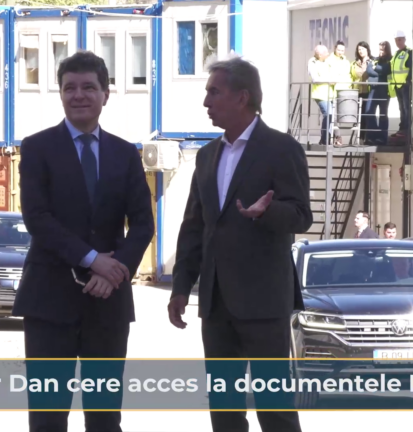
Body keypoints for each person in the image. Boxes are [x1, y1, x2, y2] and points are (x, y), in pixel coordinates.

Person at [13, 50, 154, 432]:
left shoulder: (125, 154)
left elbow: (143, 224)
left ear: (105, 94)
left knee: (105, 418)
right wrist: (93, 260)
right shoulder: (37, 148)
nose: (78, 95)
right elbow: (37, 218)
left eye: (88, 87)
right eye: (69, 87)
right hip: (49, 301)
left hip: (108, 304)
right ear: (60, 94)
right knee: (47, 418)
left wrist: (114, 270)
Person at [168, 57, 311, 432]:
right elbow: (194, 227)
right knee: (224, 410)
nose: (206, 102)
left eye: (214, 92)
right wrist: (181, 286)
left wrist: (267, 212)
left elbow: (302, 216)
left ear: (242, 97)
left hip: (264, 303)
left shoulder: (281, 148)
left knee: (275, 410)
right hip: (216, 305)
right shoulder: (206, 156)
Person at [308, 45, 340, 146]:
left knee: (331, 116)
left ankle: (326, 139)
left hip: (330, 94)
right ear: (320, 55)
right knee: (328, 114)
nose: (328, 54)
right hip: (320, 94)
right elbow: (315, 79)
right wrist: (329, 80)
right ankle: (325, 139)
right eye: (325, 52)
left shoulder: (327, 62)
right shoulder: (312, 62)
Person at [364, 41, 392, 145]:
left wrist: (376, 69)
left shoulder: (390, 59)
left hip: (384, 90)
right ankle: (373, 136)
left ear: (387, 50)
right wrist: (378, 71)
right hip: (373, 89)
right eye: (380, 49)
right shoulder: (375, 59)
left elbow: (386, 70)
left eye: (383, 50)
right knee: (369, 112)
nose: (381, 52)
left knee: (383, 114)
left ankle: (382, 138)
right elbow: (369, 70)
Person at [326, 40, 352, 146]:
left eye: (342, 50)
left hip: (344, 91)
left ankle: (335, 137)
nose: (341, 52)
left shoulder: (346, 61)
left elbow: (348, 75)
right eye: (339, 50)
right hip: (333, 92)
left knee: (339, 116)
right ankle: (336, 137)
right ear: (335, 49)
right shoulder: (329, 60)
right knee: (333, 116)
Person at [390, 30, 413, 143]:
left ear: (404, 39)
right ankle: (402, 128)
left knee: (406, 108)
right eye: (396, 40)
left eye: (400, 40)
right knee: (401, 108)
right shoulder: (396, 53)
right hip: (397, 85)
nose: (398, 42)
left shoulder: (409, 52)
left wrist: (408, 80)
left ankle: (407, 129)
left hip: (405, 85)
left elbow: (411, 68)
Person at [350, 42, 372, 142]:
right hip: (357, 92)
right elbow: (351, 77)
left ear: (367, 49)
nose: (361, 51)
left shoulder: (372, 62)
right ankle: (360, 138)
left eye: (363, 49)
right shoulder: (354, 63)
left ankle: (367, 137)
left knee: (367, 114)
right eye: (359, 49)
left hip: (369, 91)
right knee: (359, 115)